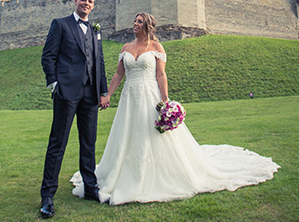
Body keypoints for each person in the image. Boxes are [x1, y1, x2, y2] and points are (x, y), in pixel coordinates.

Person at [71, 12, 280, 205]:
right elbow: (119, 74)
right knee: (127, 133)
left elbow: (161, 75)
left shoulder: (156, 48)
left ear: (148, 26)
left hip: (149, 95)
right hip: (129, 98)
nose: (135, 24)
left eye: (139, 22)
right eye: (134, 21)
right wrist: (106, 94)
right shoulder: (126, 47)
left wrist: (166, 101)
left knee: (151, 135)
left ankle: (155, 173)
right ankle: (123, 172)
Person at [39, 0, 109, 218]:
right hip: (66, 92)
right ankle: (47, 196)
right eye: (83, 0)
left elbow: (99, 62)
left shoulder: (95, 30)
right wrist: (54, 83)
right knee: (58, 143)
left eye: (90, 1)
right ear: (75, 2)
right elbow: (48, 56)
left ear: (93, 6)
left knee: (89, 143)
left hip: (90, 94)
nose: (86, 4)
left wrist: (103, 91)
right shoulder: (60, 24)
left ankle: (90, 188)